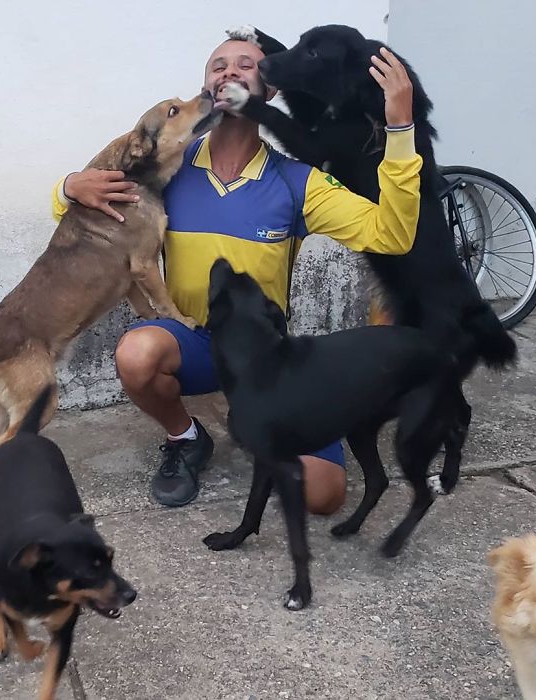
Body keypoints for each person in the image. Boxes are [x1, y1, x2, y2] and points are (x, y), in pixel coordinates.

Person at [52, 33, 421, 513]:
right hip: (193, 341)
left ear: (269, 89)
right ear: (207, 87)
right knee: (136, 353)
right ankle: (186, 437)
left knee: (323, 496)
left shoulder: (298, 181)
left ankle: (263, 424)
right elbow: (79, 212)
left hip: (268, 353)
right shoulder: (169, 167)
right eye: (218, 65)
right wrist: (67, 188)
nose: (229, 71)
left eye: (246, 64)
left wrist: (400, 129)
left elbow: (392, 236)